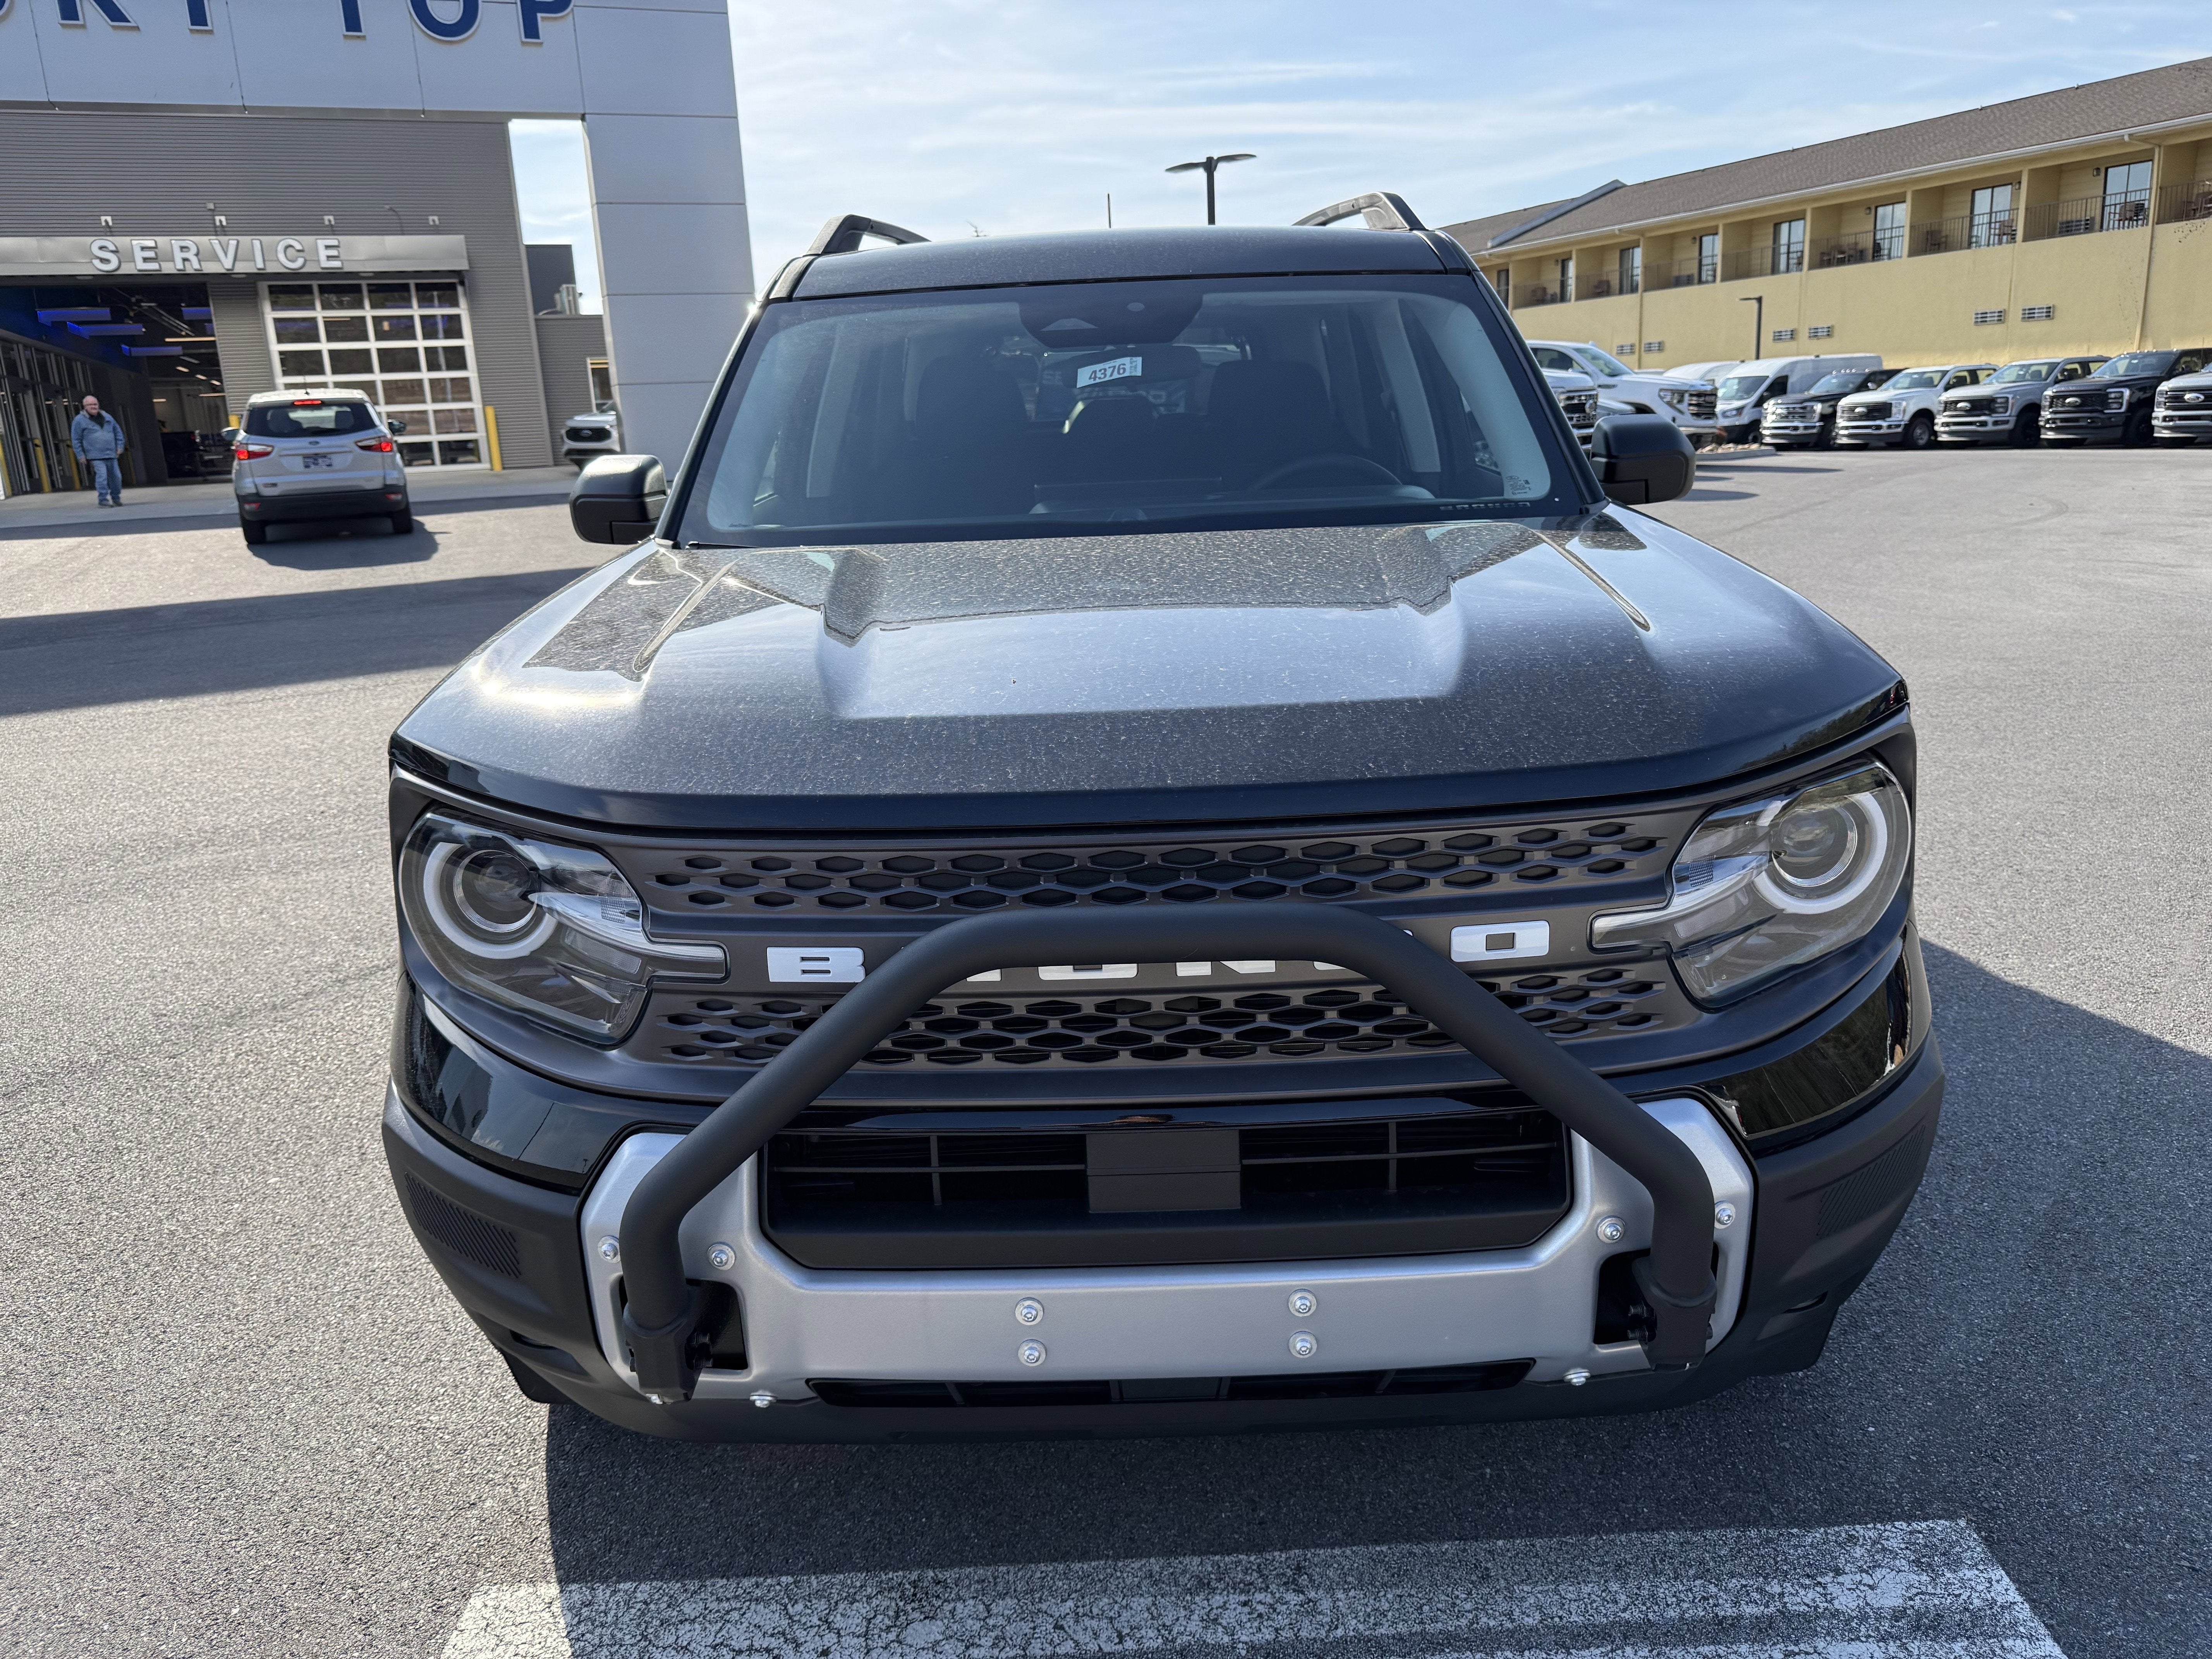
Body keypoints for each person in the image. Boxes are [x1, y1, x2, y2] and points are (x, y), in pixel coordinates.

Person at [70, 394, 128, 507]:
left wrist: (120, 446)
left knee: (117, 478)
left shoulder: (107, 417)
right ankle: (103, 500)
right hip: (96, 456)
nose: (94, 407)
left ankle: (116, 498)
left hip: (112, 454)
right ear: (85, 406)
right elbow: (76, 439)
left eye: (95, 404)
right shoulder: (79, 420)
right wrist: (80, 455)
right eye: (90, 405)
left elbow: (118, 432)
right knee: (102, 477)